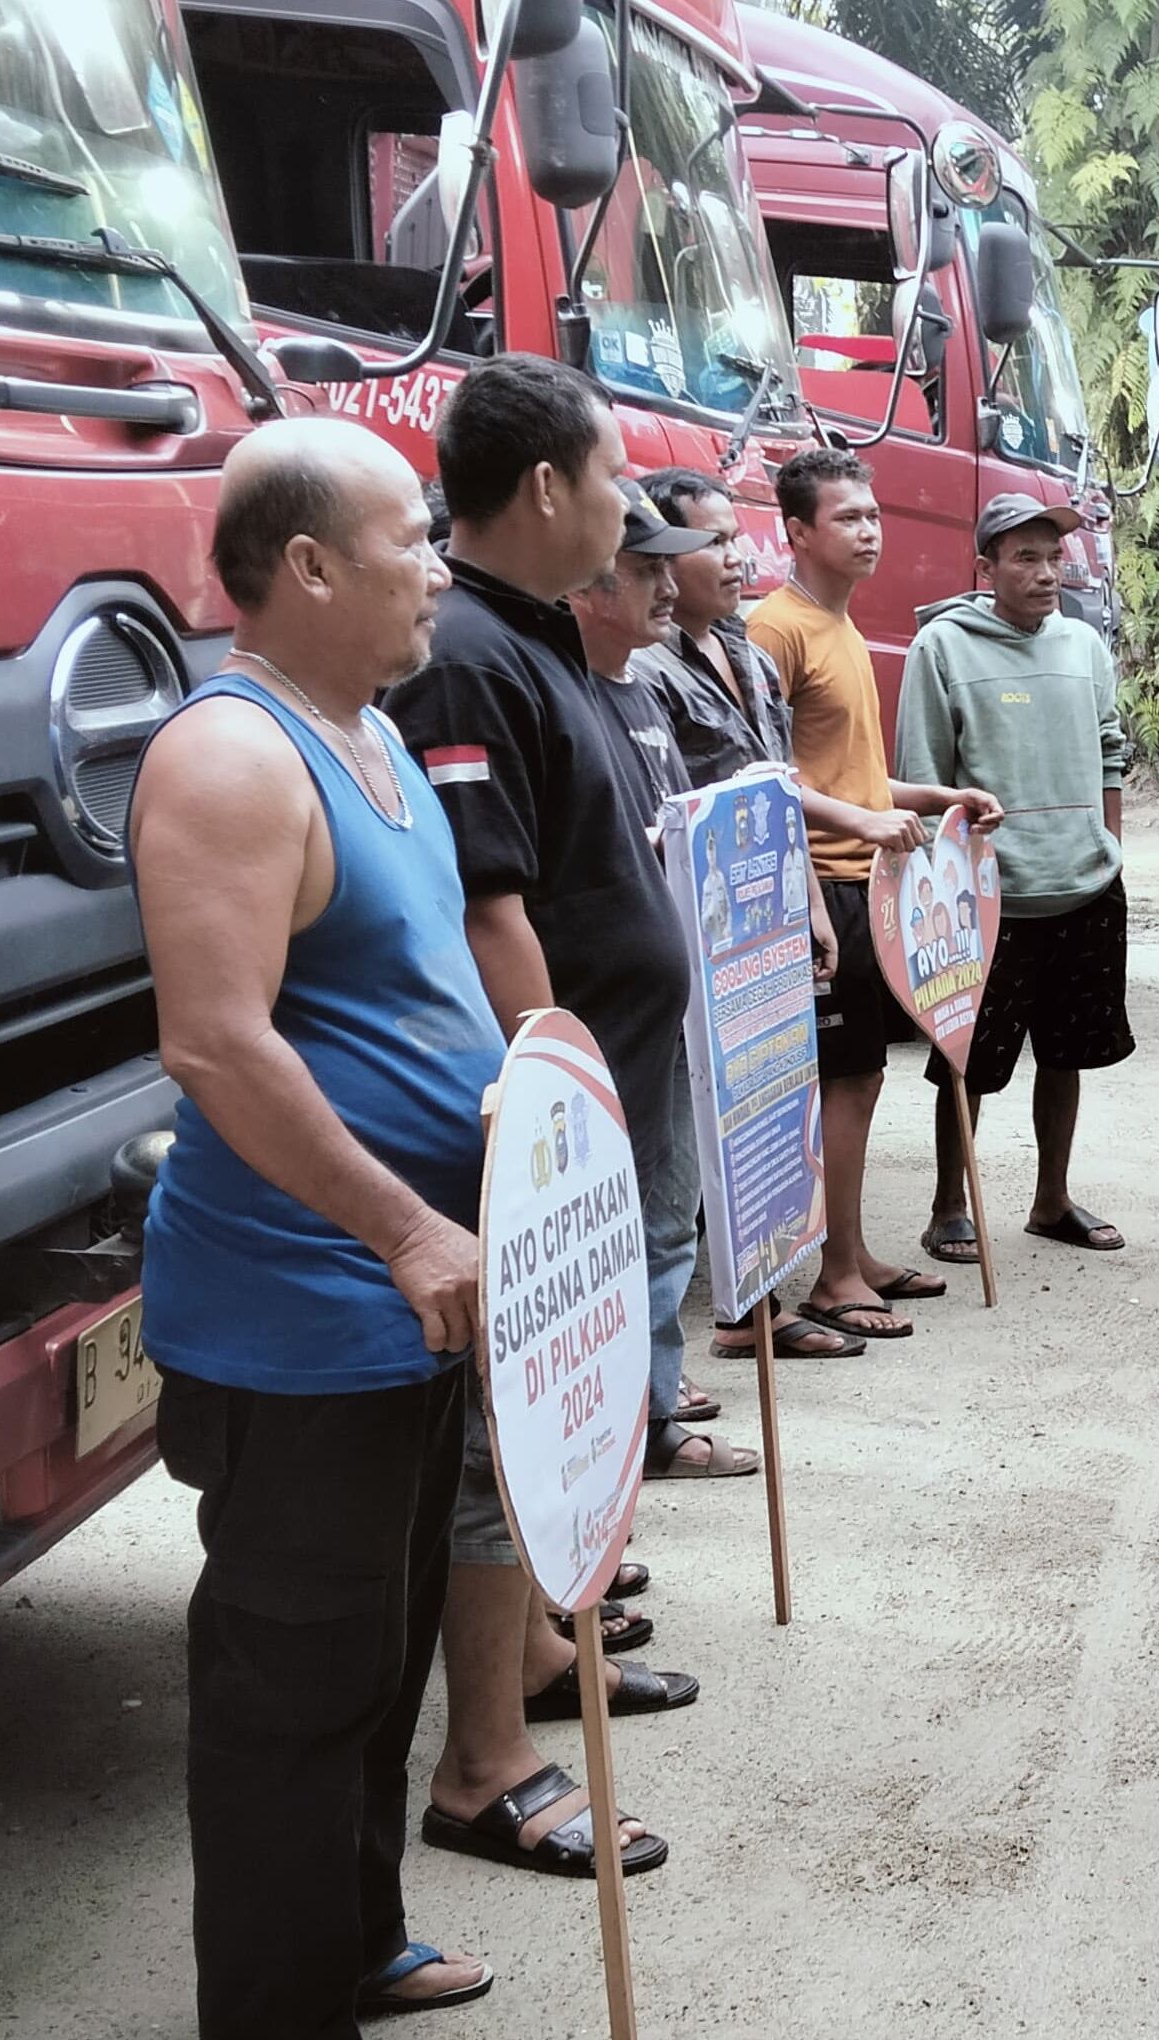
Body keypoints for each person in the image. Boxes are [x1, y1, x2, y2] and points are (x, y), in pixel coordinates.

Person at [130, 415, 499, 2033]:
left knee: (381, 1653)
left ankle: (357, 1936)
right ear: (306, 566)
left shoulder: (372, 735)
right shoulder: (229, 755)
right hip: (307, 1325)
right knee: (291, 1691)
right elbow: (217, 1040)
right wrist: (410, 1229)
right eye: (411, 537)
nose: (436, 566)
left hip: (410, 1311)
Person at [379, 354, 736, 1895]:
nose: (630, 515)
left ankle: (532, 1653)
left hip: (598, 1101)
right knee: (495, 1439)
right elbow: (487, 907)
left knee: (545, 1423)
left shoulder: (540, 643)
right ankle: (483, 1768)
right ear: (543, 490)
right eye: (613, 483)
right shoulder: (467, 653)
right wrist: (559, 1124)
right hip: (539, 1132)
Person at [749, 447, 1000, 1344]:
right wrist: (857, 830)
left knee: (861, 1077)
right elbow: (762, 776)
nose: (868, 531)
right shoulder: (775, 630)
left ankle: (849, 1251)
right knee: (841, 1081)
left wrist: (937, 799)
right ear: (797, 531)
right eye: (847, 517)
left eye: (873, 515)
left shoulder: (842, 626)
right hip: (818, 885)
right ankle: (833, 1273)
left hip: (866, 880)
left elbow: (852, 775)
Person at [637, 467, 873, 1363]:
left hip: (770, 916)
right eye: (714, 542)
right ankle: (738, 1317)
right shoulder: (647, 669)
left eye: (739, 539)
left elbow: (777, 790)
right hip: (699, 930)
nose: (739, 558)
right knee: (696, 1138)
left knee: (768, 1110)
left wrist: (809, 901)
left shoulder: (739, 647)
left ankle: (763, 1298)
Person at [901, 494, 1136, 1258]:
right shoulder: (942, 648)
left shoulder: (1081, 645)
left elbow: (1109, 750)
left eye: (1054, 557)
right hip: (991, 897)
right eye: (1026, 558)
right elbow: (922, 776)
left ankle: (1051, 1199)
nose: (1045, 573)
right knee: (967, 1061)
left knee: (1067, 1051)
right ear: (986, 567)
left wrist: (1108, 848)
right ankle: (948, 1208)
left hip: (1085, 885)